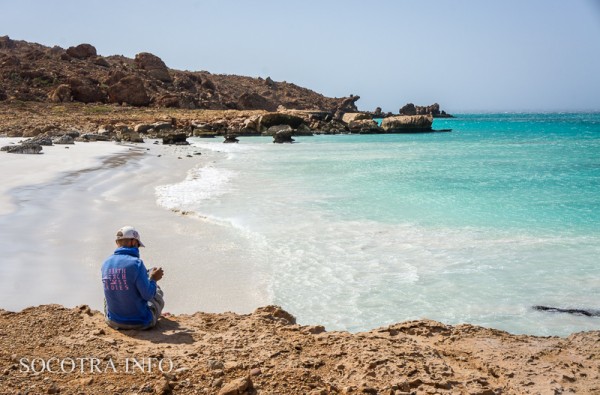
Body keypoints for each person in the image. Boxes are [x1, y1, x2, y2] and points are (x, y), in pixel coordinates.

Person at [101, 226, 165, 330]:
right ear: (133, 242)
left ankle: (119, 315)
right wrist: (153, 279)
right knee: (157, 291)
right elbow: (148, 295)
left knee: (112, 292)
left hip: (113, 321)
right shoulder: (137, 264)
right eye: (138, 245)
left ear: (117, 243)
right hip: (141, 322)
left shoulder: (106, 263)